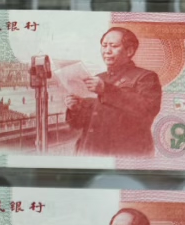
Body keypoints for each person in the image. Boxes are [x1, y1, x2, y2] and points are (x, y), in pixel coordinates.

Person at [65, 27, 162, 158]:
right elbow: (79, 124)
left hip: (124, 154)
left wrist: (106, 90)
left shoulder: (146, 77)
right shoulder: (98, 78)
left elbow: (147, 110)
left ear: (129, 51)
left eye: (114, 46)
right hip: (90, 151)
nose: (107, 51)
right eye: (104, 45)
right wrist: (75, 108)